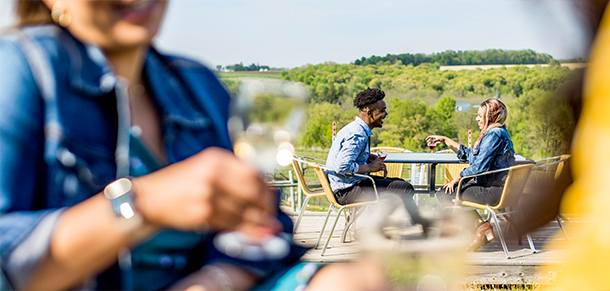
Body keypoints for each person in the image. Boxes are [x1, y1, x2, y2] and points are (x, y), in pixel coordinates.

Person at [0, 1, 380, 290]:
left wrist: (218, 279)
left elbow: (265, 232)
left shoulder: (197, 85)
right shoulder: (21, 67)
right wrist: (145, 203)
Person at [325, 88, 430, 233]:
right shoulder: (358, 134)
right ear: (369, 113)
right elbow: (341, 166)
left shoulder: (354, 128)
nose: (385, 114)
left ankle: (419, 222)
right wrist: (370, 168)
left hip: (346, 186)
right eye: (382, 111)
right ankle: (373, 228)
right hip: (347, 190)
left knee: (401, 185)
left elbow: (346, 156)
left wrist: (368, 156)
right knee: (404, 189)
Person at [426, 98, 515, 251]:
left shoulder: (494, 134)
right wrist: (447, 140)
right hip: (501, 188)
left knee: (445, 194)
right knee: (448, 193)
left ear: (491, 116)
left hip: (493, 190)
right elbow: (473, 157)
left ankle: (480, 228)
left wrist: (456, 178)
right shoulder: (498, 132)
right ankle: (482, 228)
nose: (477, 119)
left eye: (480, 116)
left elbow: (479, 166)